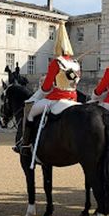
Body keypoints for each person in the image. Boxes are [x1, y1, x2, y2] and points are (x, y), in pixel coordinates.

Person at [15, 22, 80, 152]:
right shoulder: (76, 64)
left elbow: (45, 87)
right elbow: (75, 81)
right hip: (73, 99)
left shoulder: (56, 62)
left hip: (57, 98)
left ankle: (26, 144)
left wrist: (48, 85)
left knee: (30, 112)